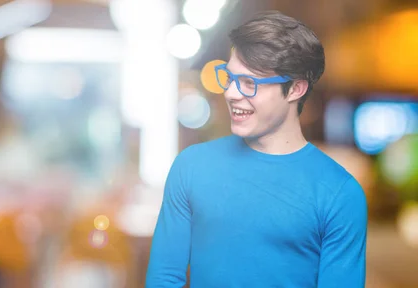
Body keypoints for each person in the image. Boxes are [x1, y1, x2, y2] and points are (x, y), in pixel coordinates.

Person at [146, 11, 367, 287]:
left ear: (296, 89)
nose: (231, 93)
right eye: (229, 78)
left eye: (250, 83)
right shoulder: (191, 167)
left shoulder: (339, 194)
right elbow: (164, 277)